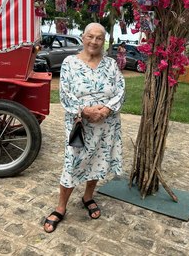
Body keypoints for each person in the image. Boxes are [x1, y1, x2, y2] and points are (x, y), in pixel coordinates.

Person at [43, 22, 125, 233]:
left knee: (98, 159)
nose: (94, 41)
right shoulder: (69, 63)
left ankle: (88, 196)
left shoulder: (111, 64)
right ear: (83, 36)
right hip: (80, 124)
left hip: (106, 123)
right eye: (90, 36)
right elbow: (65, 93)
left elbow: (120, 91)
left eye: (99, 38)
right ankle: (61, 207)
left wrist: (106, 110)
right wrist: (86, 110)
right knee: (73, 163)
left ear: (103, 41)